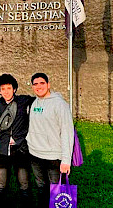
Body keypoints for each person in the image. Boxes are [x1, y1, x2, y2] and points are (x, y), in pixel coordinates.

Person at [26, 73, 74, 207]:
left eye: (42, 83)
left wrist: (66, 160)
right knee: (41, 189)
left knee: (57, 192)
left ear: (48, 85)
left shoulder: (60, 104)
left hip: (54, 156)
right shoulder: (34, 102)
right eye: (35, 84)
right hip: (35, 154)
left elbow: (67, 131)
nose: (38, 87)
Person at [0, 74, 35, 208]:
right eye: (2, 89)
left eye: (9, 88)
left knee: (24, 184)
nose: (6, 91)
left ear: (14, 89)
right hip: (2, 149)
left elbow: (41, 99)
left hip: (20, 148)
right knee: (0, 185)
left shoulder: (23, 100)